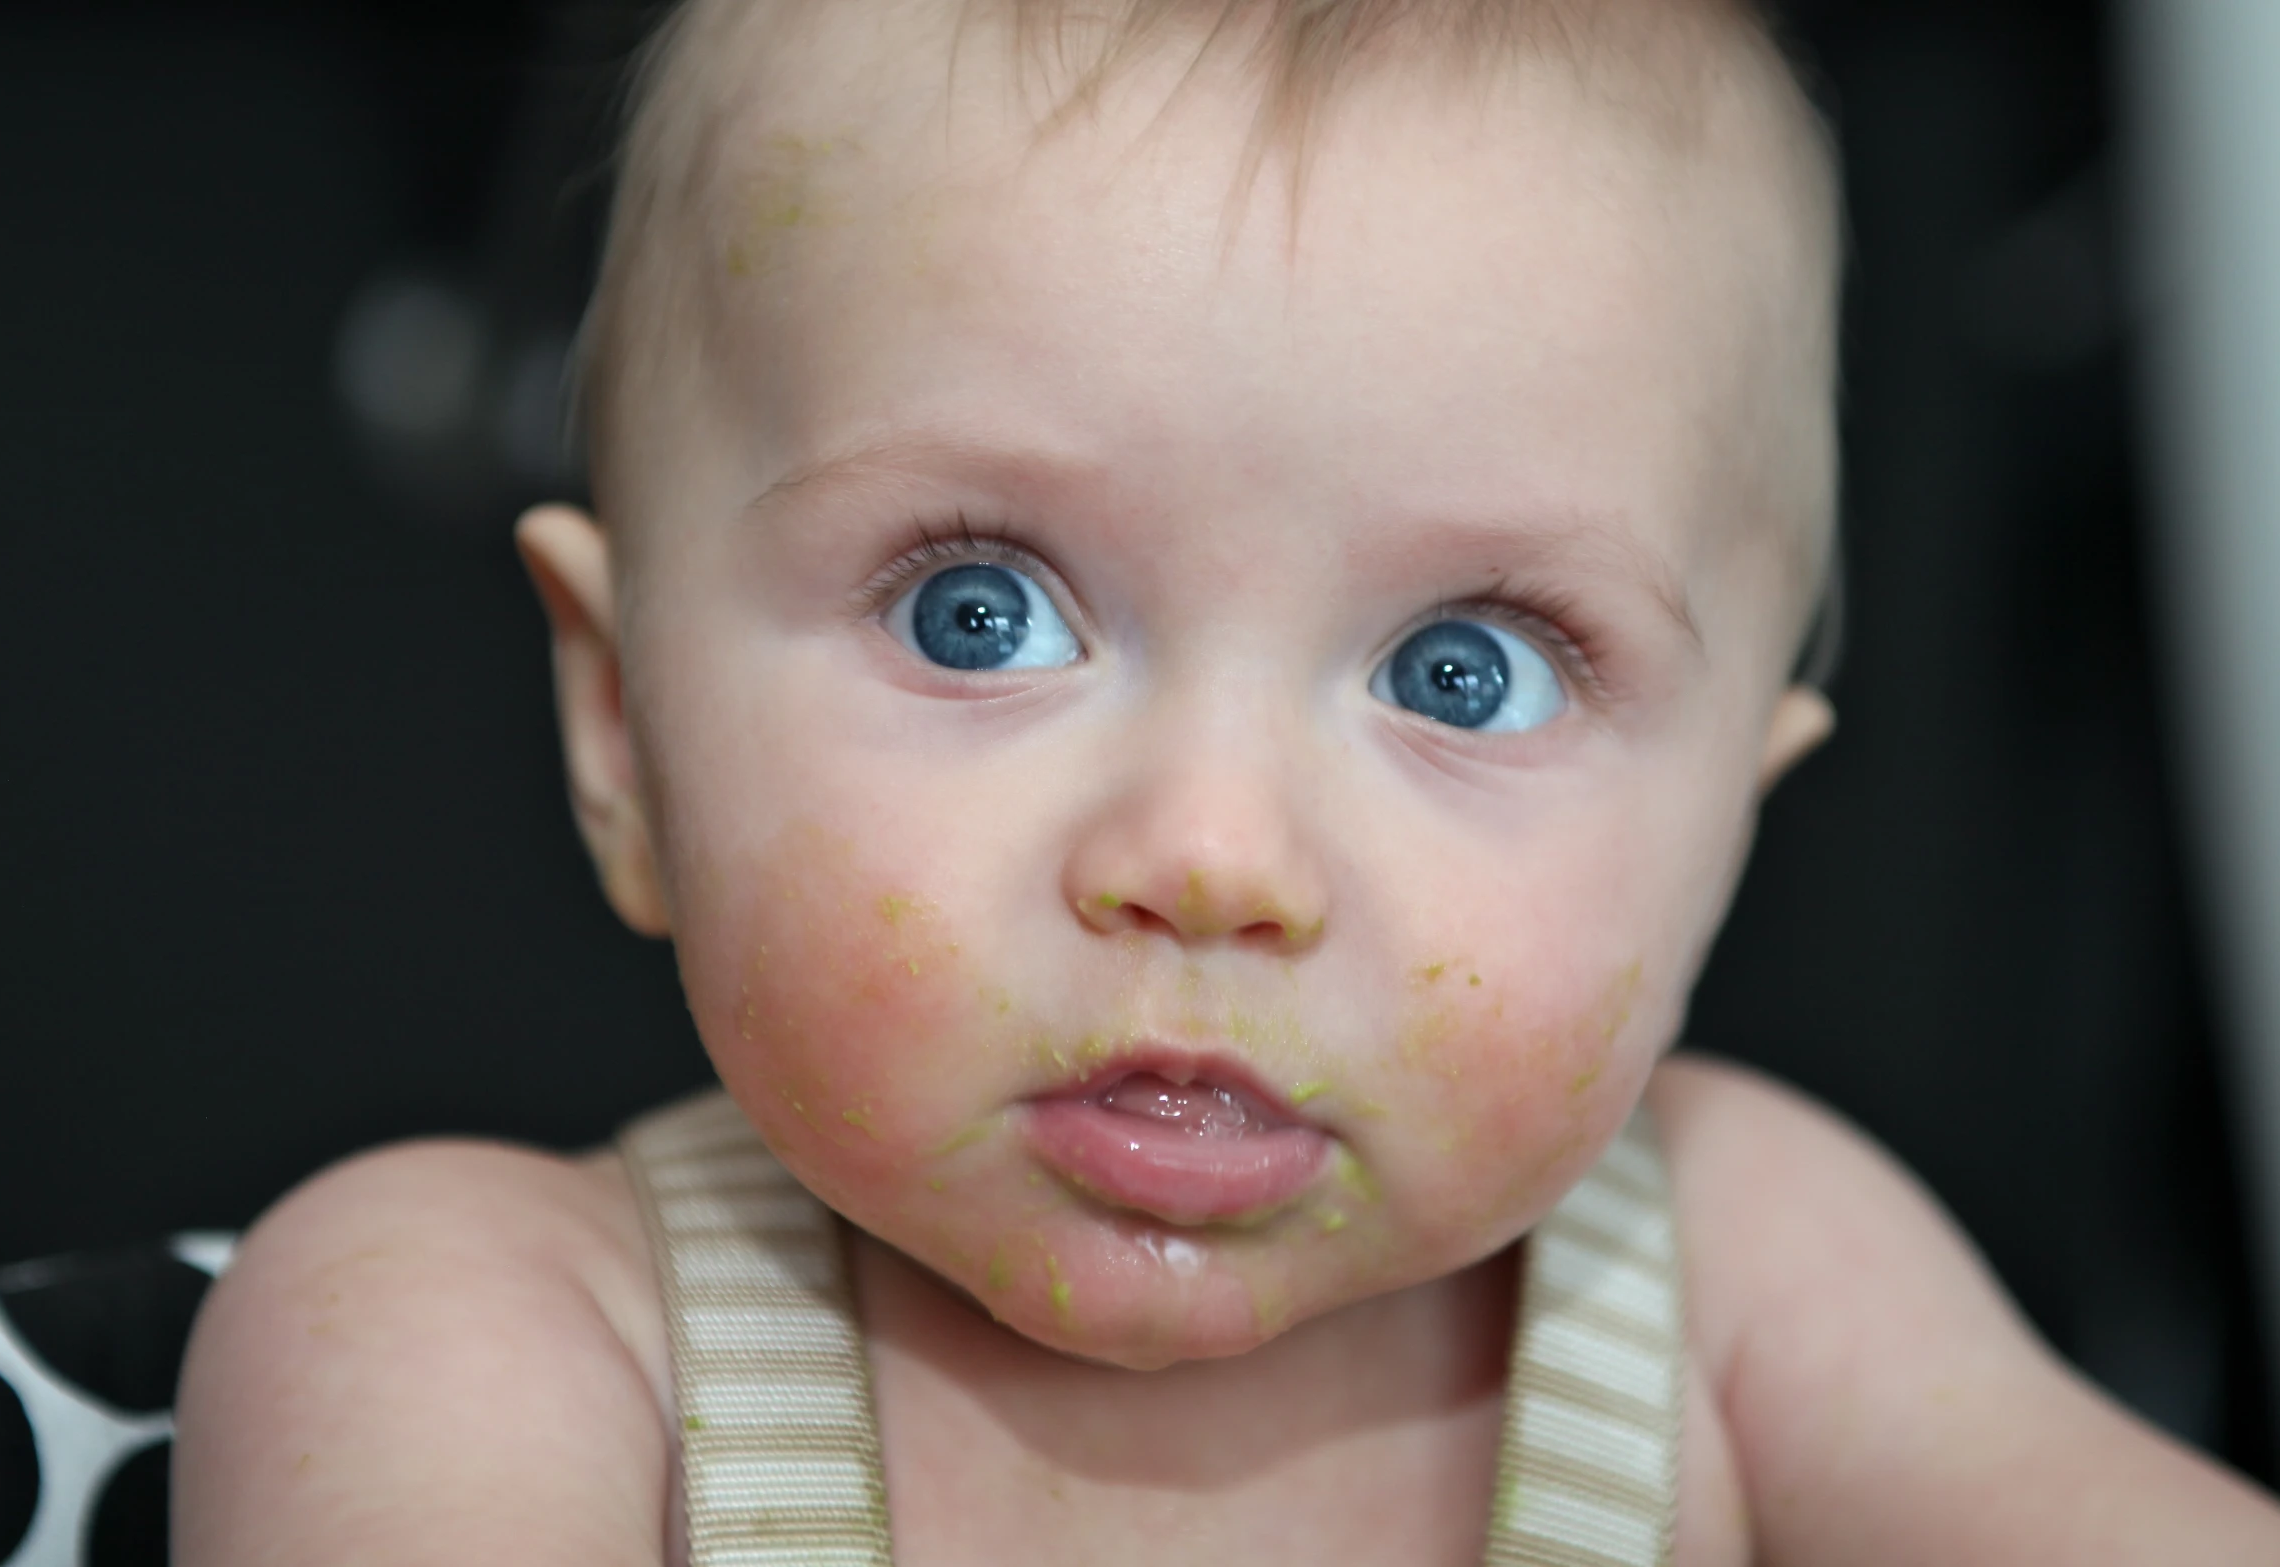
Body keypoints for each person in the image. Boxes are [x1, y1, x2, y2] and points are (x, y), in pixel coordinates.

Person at [171, 1, 2280, 1560]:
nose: (1210, 857)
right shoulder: (491, 1338)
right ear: (622, 722)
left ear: (1723, 834)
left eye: (1464, 669)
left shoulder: (1746, 1282)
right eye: (976, 613)